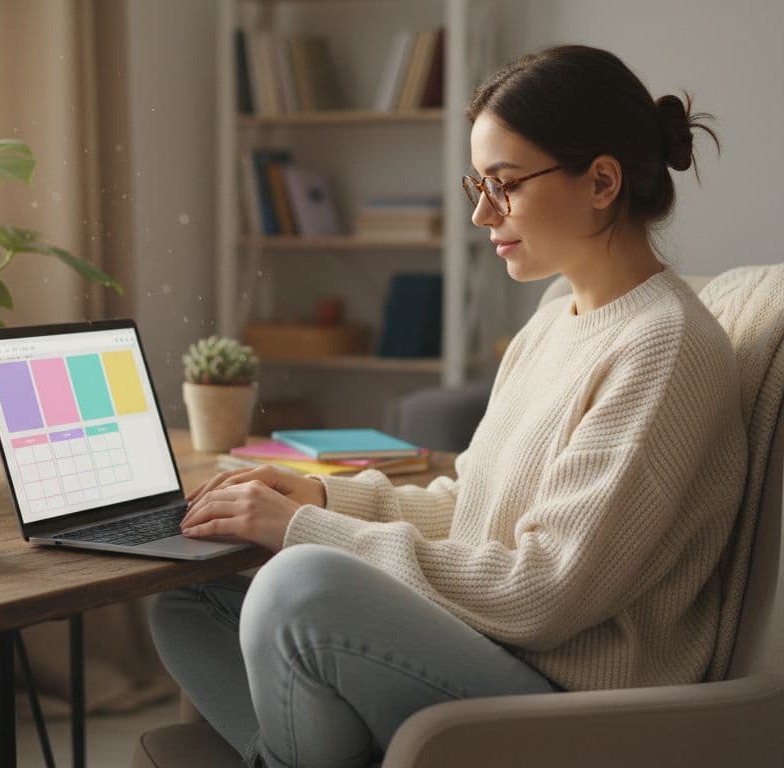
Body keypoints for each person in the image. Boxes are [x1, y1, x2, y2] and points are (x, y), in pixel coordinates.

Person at [150, 44, 747, 768]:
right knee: (189, 600)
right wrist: (322, 497)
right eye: (478, 183)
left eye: (505, 185)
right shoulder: (559, 314)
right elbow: (471, 507)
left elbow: (543, 593)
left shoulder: (665, 347)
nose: (479, 212)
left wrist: (305, 531)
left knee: (299, 586)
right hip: (489, 651)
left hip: (565, 696)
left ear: (601, 181)